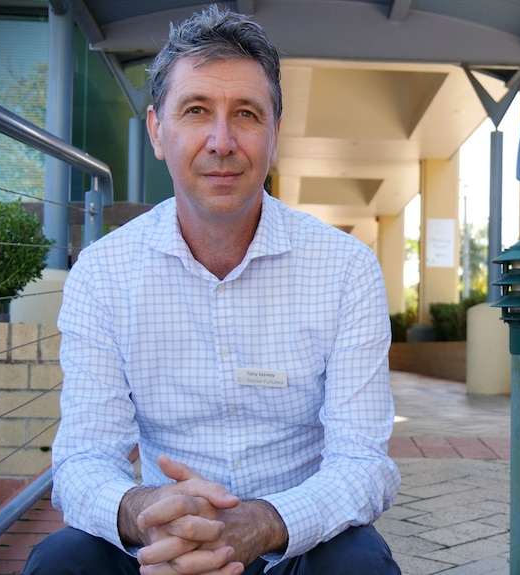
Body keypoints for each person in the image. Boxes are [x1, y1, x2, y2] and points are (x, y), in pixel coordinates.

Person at [22, 5, 401, 574]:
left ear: (274, 132)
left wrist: (260, 523)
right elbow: (82, 460)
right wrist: (145, 509)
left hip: (292, 544)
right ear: (157, 130)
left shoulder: (346, 269)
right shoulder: (103, 275)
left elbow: (363, 462)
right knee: (61, 561)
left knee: (361, 563)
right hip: (160, 543)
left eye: (246, 114)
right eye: (196, 110)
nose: (221, 141)